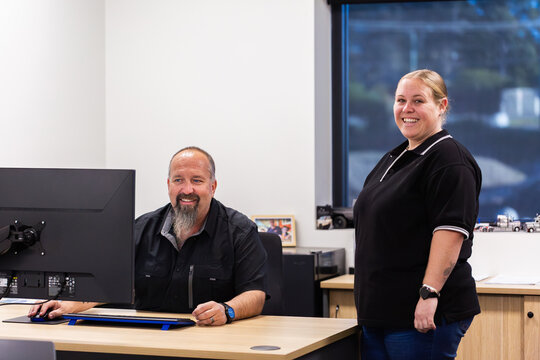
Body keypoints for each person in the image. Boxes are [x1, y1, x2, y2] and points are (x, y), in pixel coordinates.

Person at [29, 146, 267, 326]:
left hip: (212, 340)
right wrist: (69, 304)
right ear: (168, 185)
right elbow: (113, 285)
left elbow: (255, 293)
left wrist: (227, 310)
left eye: (197, 181)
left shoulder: (240, 231)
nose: (187, 190)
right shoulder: (141, 228)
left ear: (213, 186)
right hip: (149, 336)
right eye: (178, 180)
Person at [353, 69, 481, 359]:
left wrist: (429, 294)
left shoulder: (450, 161)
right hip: (381, 314)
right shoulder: (397, 157)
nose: (407, 109)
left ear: (441, 106)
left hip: (420, 316)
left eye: (418, 100)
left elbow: (450, 233)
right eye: (400, 100)